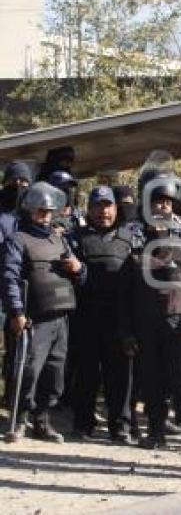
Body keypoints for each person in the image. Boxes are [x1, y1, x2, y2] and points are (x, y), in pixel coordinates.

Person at [122, 170, 181, 451]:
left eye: (166, 201)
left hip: (179, 319)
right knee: (151, 381)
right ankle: (155, 434)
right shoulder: (132, 231)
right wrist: (127, 330)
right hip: (145, 319)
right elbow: (125, 287)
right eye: (156, 201)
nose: (161, 206)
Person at [1, 182, 85, 442]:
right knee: (28, 371)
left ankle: (42, 420)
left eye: (49, 212)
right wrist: (16, 312)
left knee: (55, 373)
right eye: (40, 211)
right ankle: (20, 420)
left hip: (61, 317)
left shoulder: (59, 239)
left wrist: (78, 268)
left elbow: (82, 277)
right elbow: (9, 277)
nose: (45, 216)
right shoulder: (17, 240)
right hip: (34, 318)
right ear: (28, 210)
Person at [71, 186, 139, 443]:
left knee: (120, 376)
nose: (103, 211)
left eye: (107, 205)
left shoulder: (130, 238)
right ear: (89, 209)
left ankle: (120, 427)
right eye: (97, 206)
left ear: (116, 208)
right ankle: (82, 424)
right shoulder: (76, 238)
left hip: (119, 319)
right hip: (86, 316)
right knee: (86, 374)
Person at [0, 161, 31, 406]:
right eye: (14, 182)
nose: (19, 187)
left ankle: (12, 400)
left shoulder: (30, 217)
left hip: (20, 293)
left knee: (18, 350)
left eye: (24, 183)